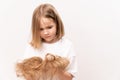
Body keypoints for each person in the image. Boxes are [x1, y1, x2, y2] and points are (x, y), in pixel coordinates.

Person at [22, 3, 77, 80]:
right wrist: (36, 69)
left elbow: (70, 77)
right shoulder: (32, 47)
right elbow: (27, 76)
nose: (46, 32)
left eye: (49, 27)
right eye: (41, 29)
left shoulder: (66, 46)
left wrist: (54, 68)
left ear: (57, 24)